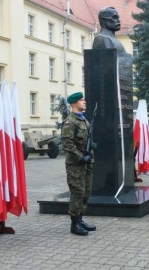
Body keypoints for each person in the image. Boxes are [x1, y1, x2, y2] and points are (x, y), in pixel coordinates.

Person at [61, 92, 96, 236]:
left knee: (86, 192)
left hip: (86, 164)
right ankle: (74, 224)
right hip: (76, 164)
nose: (84, 101)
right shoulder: (70, 121)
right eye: (81, 100)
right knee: (77, 193)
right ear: (74, 103)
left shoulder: (84, 121)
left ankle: (80, 219)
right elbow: (67, 144)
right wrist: (81, 157)